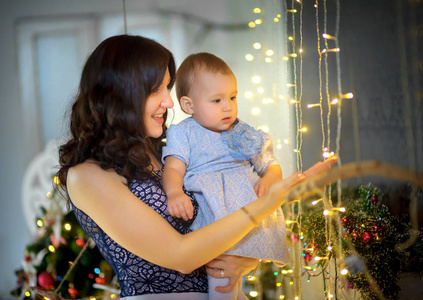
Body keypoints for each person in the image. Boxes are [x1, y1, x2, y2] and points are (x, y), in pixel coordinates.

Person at [57, 34, 337, 300]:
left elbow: (218, 221)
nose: (168, 102)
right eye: (156, 90)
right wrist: (273, 201)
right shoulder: (86, 176)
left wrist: (244, 261)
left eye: (167, 88)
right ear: (120, 95)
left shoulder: (161, 149)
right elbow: (181, 255)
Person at [161, 52, 287, 299]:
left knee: (234, 277)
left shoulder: (242, 131)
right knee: (220, 275)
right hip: (214, 213)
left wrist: (270, 179)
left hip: (248, 207)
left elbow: (269, 163)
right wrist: (174, 191)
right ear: (189, 105)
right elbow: (173, 168)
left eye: (232, 97)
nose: (228, 106)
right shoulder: (183, 133)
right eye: (216, 100)